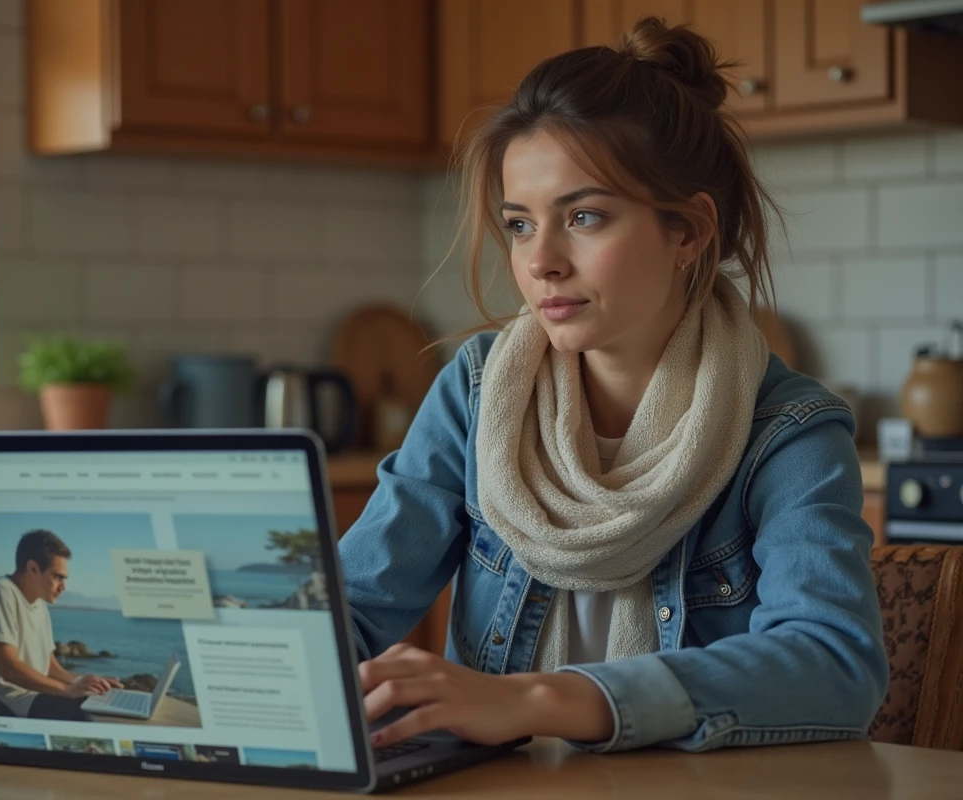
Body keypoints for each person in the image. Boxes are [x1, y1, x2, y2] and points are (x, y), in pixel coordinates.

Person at [341, 17, 888, 754]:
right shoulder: (474, 394)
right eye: (520, 225)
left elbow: (835, 667)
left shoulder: (788, 432)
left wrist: (537, 700)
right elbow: (351, 608)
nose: (540, 261)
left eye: (584, 216)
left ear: (689, 231)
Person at [0, 529, 122, 720]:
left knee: (103, 702)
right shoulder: (0, 591)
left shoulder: (39, 603)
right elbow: (8, 669)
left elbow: (49, 665)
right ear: (33, 568)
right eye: (57, 577)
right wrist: (67, 690)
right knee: (92, 715)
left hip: (37, 694)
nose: (63, 587)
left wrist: (83, 681)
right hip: (10, 701)